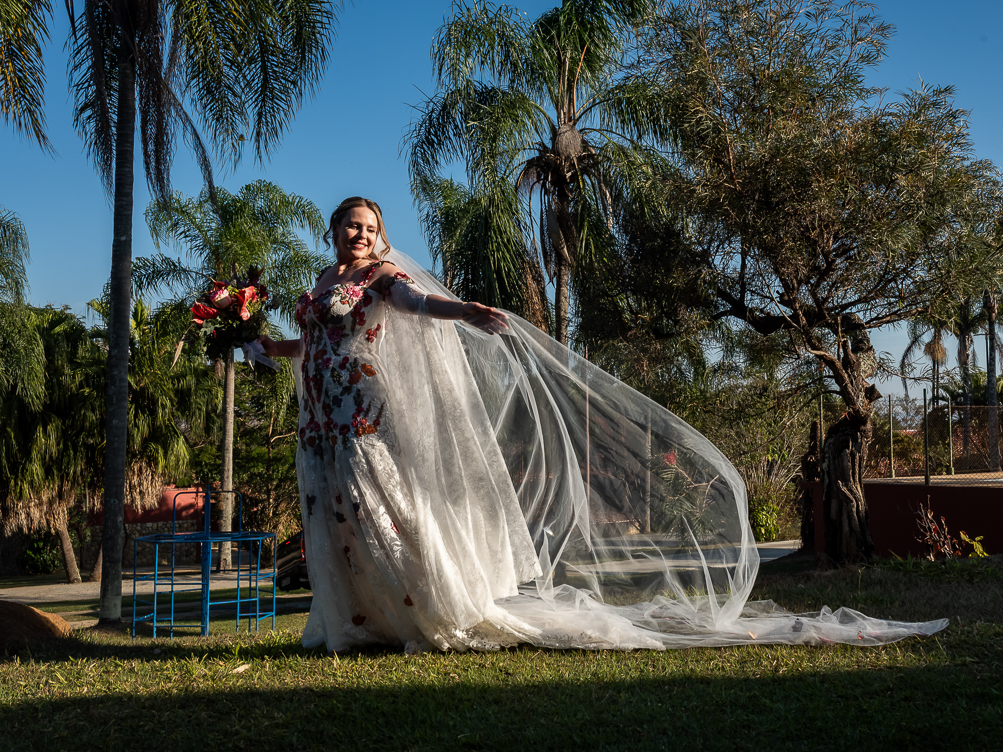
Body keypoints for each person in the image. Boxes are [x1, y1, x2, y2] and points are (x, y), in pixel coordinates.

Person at [260, 196, 948, 653]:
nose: (358, 233)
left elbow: (416, 304)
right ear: (332, 232)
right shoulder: (321, 283)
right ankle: (354, 621)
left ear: (380, 236)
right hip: (319, 423)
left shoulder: (381, 278)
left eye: (368, 226)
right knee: (334, 520)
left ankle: (417, 612)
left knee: (380, 514)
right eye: (349, 224)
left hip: (364, 418)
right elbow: (313, 347)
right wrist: (268, 347)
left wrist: (464, 311)